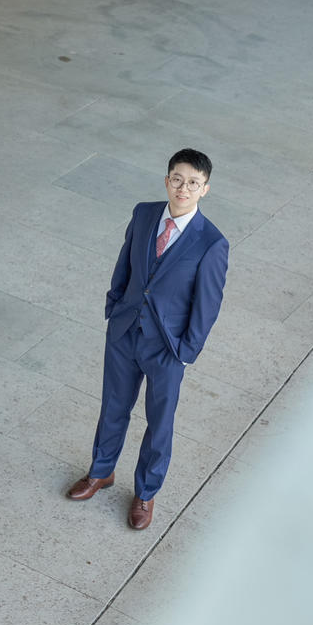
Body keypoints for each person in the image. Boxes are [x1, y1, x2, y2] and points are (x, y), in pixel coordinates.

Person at [66, 149, 229, 530]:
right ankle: (101, 471)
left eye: (193, 183)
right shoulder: (143, 214)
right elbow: (124, 263)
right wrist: (114, 307)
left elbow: (207, 305)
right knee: (113, 406)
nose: (183, 188)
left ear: (205, 189)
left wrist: (185, 352)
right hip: (125, 332)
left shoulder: (212, 243)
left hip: (167, 348)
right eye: (177, 179)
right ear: (167, 180)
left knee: (159, 423)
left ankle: (145, 492)